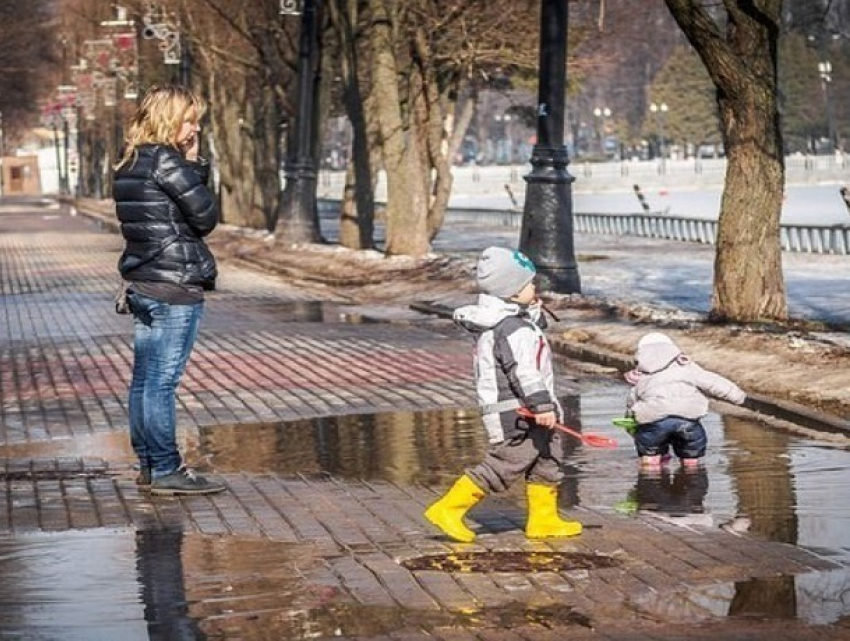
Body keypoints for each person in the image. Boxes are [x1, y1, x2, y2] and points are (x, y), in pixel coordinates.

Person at [423, 247, 582, 542]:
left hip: (527, 407)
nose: (535, 288)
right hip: (517, 411)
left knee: (547, 458)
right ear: (510, 293)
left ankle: (543, 520)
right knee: (508, 462)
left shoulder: (513, 323)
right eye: (528, 284)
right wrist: (541, 405)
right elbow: (524, 372)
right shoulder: (512, 329)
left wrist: (533, 312)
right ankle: (448, 509)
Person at [113, 84, 225, 496]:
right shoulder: (167, 161)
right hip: (174, 284)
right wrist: (193, 163)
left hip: (143, 281)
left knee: (144, 381)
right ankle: (165, 469)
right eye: (190, 119)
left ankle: (148, 463)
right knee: (161, 382)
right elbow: (205, 218)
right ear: (169, 119)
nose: (195, 128)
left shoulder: (131, 160)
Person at [624, 332, 746, 468]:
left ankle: (651, 474)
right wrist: (738, 397)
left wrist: (631, 423)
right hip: (687, 420)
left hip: (654, 421)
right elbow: (713, 382)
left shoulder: (642, 376)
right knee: (691, 458)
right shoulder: (688, 368)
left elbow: (632, 401)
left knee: (650, 458)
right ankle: (690, 475)